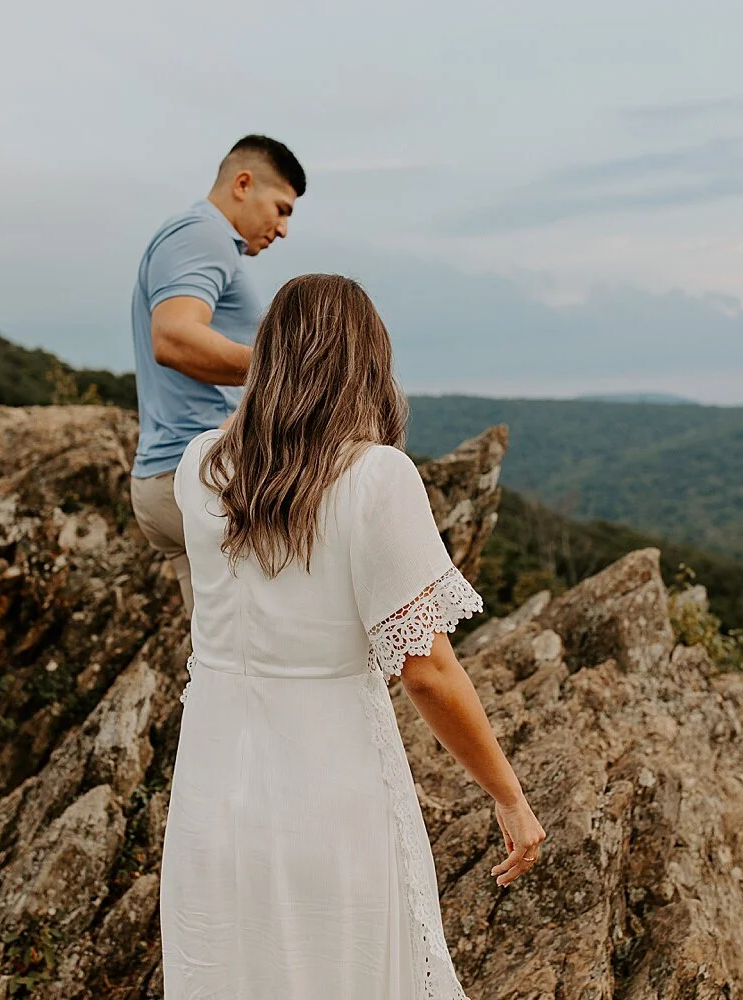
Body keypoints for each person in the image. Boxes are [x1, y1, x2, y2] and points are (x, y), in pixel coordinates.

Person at [160, 274, 546, 999]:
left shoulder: (199, 466)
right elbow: (426, 671)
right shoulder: (376, 476)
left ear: (269, 354)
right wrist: (509, 796)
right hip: (327, 788)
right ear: (366, 363)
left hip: (211, 790)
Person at [129, 135, 305, 612]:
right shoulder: (202, 235)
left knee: (219, 661)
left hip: (176, 474)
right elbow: (174, 337)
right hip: (201, 475)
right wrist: (287, 369)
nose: (284, 228)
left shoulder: (202, 240)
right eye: (281, 208)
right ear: (243, 184)